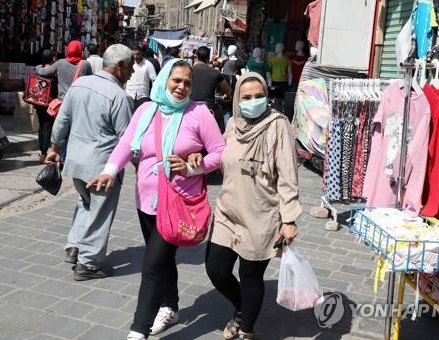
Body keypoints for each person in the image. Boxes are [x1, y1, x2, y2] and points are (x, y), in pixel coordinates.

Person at [86, 59, 225, 340]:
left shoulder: (199, 113)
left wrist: (193, 167)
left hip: (177, 202)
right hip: (145, 200)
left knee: (151, 266)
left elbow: (220, 152)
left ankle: (138, 330)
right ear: (163, 80)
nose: (182, 87)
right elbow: (126, 143)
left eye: (187, 82)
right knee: (162, 261)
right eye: (176, 80)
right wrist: (110, 171)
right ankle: (170, 307)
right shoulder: (146, 110)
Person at [205, 73, 302, 340]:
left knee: (250, 276)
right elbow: (217, 156)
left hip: (261, 214)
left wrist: (289, 218)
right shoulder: (233, 125)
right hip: (227, 210)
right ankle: (241, 308)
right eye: (246, 97)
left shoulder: (277, 125)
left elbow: (288, 175)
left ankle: (247, 329)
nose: (253, 101)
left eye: (259, 96)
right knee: (216, 270)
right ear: (237, 99)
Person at [45, 44, 135, 281]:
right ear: (120, 67)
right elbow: (126, 140)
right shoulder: (119, 97)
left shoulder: (79, 85)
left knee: (85, 204)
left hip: (75, 162)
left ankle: (74, 246)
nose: (133, 73)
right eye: (131, 67)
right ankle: (88, 263)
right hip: (102, 168)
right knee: (99, 213)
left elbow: (62, 120)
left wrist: (54, 148)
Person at [190, 46, 232, 113]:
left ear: (196, 56)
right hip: (209, 109)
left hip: (190, 108)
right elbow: (228, 90)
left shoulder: (189, 71)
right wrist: (226, 96)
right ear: (208, 57)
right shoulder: (215, 73)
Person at [35, 50, 57, 163]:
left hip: (39, 102)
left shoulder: (38, 70)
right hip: (50, 103)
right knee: (48, 126)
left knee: (41, 126)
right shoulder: (54, 72)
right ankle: (44, 154)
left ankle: (42, 152)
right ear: (53, 59)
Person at [126, 44, 157, 110]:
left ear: (141, 53)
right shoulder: (128, 63)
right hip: (129, 94)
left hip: (143, 96)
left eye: (137, 54)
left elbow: (154, 80)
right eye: (133, 54)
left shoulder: (148, 64)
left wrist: (154, 96)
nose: (135, 56)